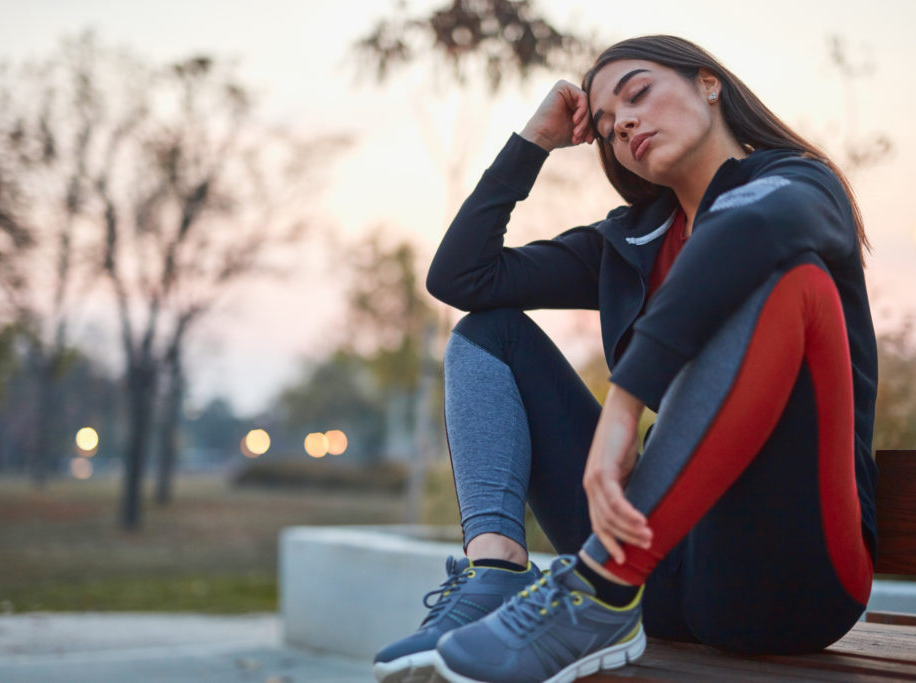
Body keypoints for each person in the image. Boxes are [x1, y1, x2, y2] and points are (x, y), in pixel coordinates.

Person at [373, 34, 878, 683]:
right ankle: (497, 570)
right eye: (608, 126)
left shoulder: (798, 185)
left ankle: (601, 583)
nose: (626, 123)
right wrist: (533, 142)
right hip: (661, 578)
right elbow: (462, 277)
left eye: (638, 93)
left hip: (791, 576)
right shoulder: (628, 242)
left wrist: (625, 398)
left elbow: (747, 232)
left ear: (708, 84)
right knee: (486, 332)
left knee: (794, 282)